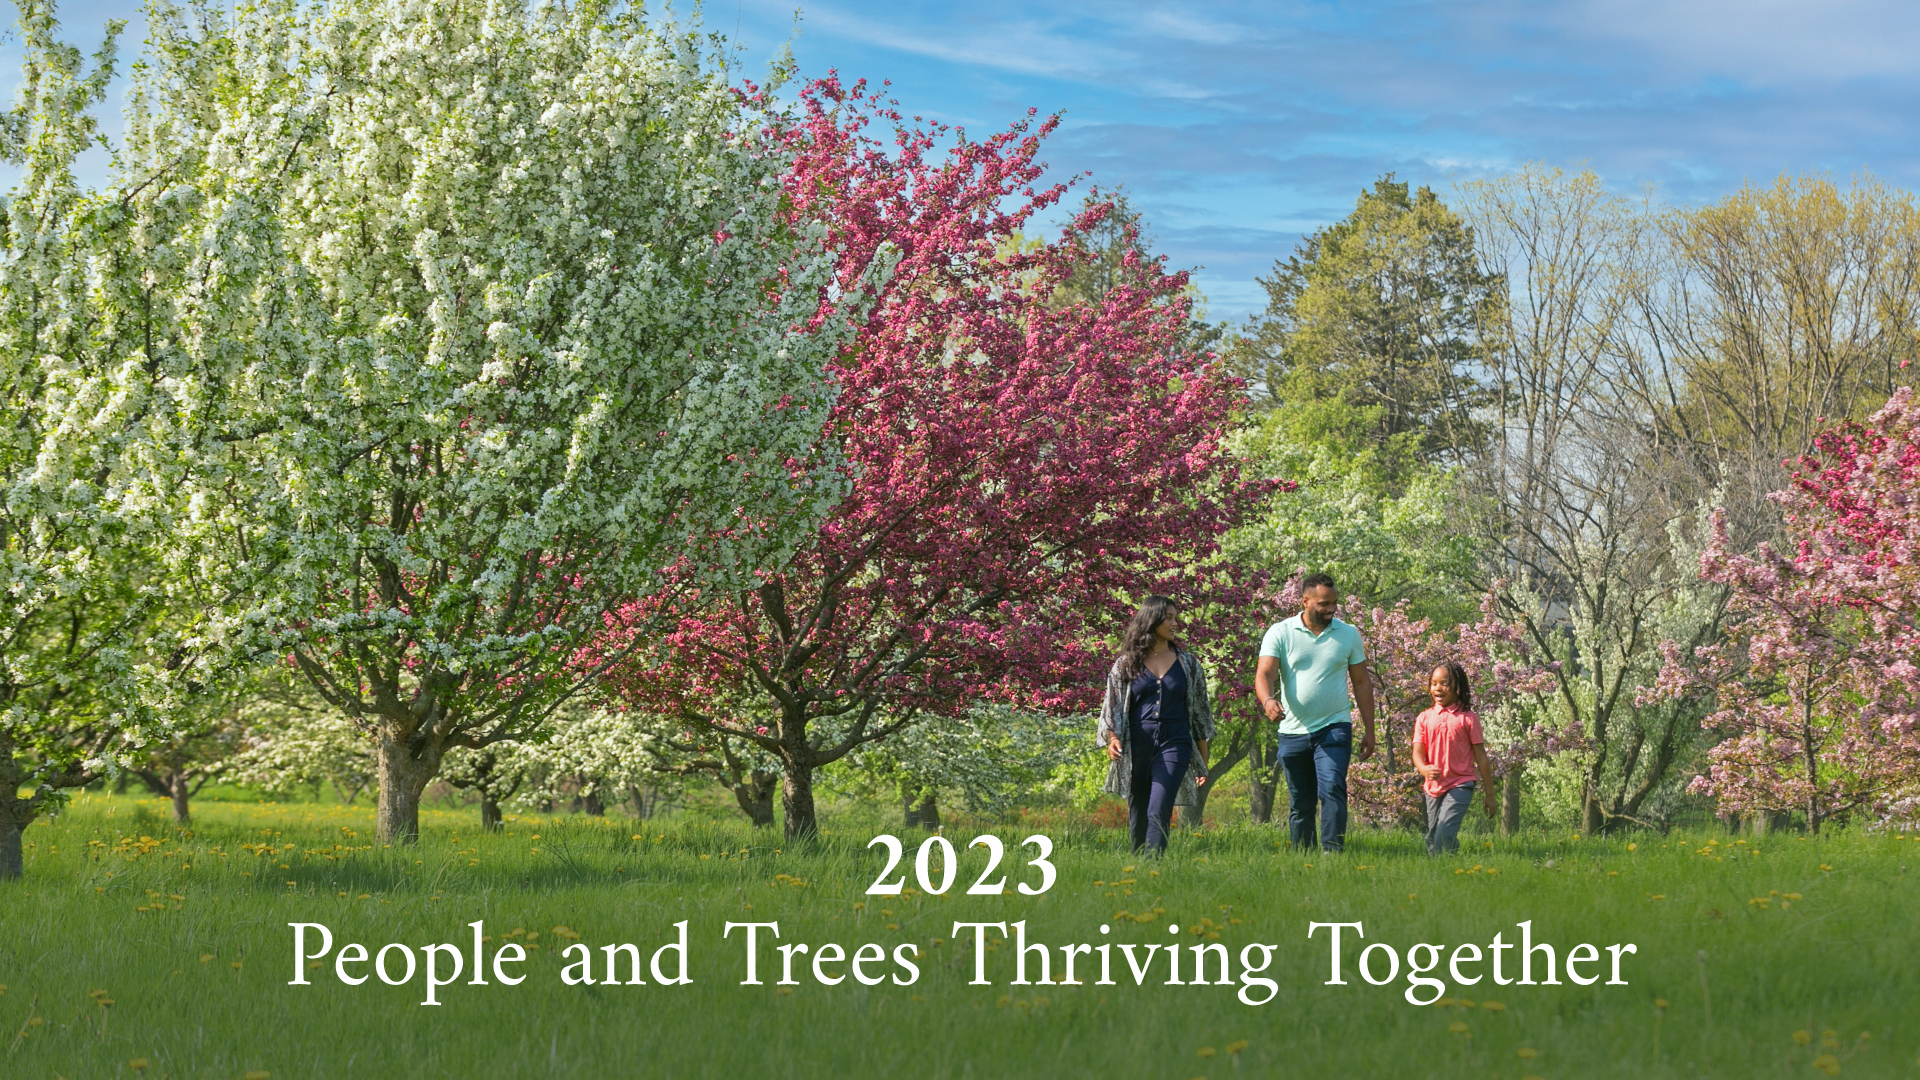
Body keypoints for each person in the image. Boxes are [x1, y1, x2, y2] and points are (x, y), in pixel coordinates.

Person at [1254, 572, 1375, 852]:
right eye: (1323, 604)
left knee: (1332, 788)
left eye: (1334, 602)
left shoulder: (1348, 634)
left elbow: (1361, 682)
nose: (1331, 609)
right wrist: (1267, 701)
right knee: (1301, 803)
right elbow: (1265, 674)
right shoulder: (1280, 632)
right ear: (1305, 601)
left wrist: (1369, 730)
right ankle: (1304, 859)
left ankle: (1332, 854)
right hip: (1292, 732)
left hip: (1334, 727)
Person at [1097, 595, 1213, 855]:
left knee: (1158, 807)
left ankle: (1153, 865)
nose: (1175, 623)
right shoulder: (1126, 664)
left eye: (1175, 617)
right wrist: (1113, 739)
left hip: (1176, 741)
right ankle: (1137, 863)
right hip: (1137, 742)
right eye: (1169, 617)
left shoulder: (1189, 665)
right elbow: (1112, 706)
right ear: (1152, 620)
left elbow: (1200, 715)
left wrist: (1202, 759)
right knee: (1138, 808)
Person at [1411, 660, 1497, 855]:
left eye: (1444, 683)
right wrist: (1423, 769)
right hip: (1433, 788)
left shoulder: (1468, 718)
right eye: (1434, 683)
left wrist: (1490, 796)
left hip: (1460, 784)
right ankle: (1446, 869)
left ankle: (1446, 861)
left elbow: (1481, 758)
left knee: (1443, 831)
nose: (1438, 688)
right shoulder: (1424, 718)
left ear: (1458, 688)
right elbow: (1417, 753)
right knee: (1433, 838)